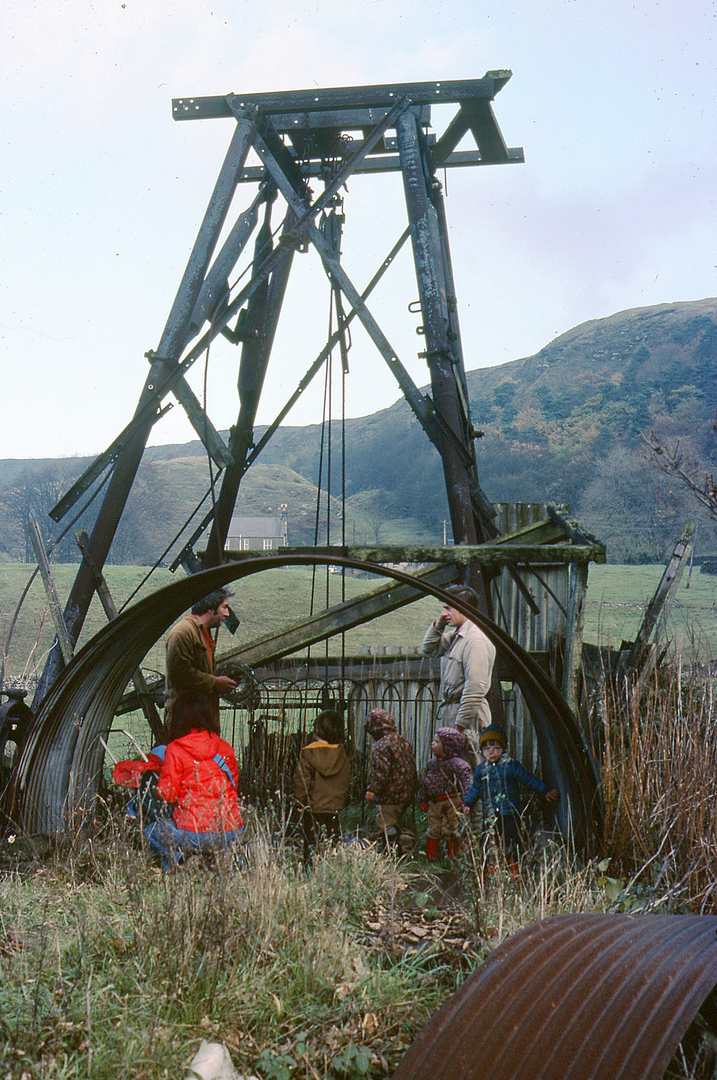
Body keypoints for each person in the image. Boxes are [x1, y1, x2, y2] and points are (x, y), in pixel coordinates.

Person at [143, 690, 244, 870]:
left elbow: (168, 794)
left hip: (194, 834)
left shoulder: (175, 749)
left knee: (152, 830)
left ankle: (180, 861)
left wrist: (156, 787)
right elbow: (233, 784)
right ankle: (219, 859)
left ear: (179, 719)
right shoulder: (224, 747)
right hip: (231, 831)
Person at [462, 727, 559, 873]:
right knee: (490, 842)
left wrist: (544, 790)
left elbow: (528, 779)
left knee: (512, 842)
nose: (491, 751)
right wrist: (468, 803)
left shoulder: (510, 765)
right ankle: (492, 872)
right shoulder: (481, 770)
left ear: (503, 749)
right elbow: (476, 788)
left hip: (510, 814)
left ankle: (514, 870)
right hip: (490, 815)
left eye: (496, 747)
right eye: (487, 748)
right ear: (482, 751)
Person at [419, 584, 496, 763]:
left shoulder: (475, 640)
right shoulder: (457, 636)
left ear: (464, 608)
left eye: (449, 608)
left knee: (471, 768)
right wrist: (438, 625)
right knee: (452, 771)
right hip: (453, 712)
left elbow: (475, 688)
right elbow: (428, 649)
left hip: (468, 720)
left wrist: (458, 727)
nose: (445, 613)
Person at [164, 588, 238, 727]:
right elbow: (180, 675)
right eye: (225, 607)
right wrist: (215, 683)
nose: (227, 613)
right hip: (184, 722)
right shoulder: (183, 632)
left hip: (201, 720)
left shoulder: (203, 632)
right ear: (211, 608)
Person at [293, 710, 351, 862]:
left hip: (313, 808)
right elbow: (346, 779)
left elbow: (302, 782)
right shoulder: (343, 753)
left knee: (311, 845)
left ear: (317, 729)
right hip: (336, 807)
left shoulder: (308, 752)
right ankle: (331, 871)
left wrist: (299, 803)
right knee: (332, 843)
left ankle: (309, 871)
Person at [417, 727, 472, 861]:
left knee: (452, 828)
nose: (432, 743)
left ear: (448, 746)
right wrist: (423, 799)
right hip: (434, 802)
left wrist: (467, 801)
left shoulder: (457, 764)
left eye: (437, 741)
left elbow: (466, 782)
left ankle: (452, 856)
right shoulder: (432, 764)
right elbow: (426, 782)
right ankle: (432, 856)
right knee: (433, 828)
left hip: (452, 801)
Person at [365, 708, 417, 845]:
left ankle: (394, 850)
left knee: (385, 823)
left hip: (390, 794)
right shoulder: (402, 741)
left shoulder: (381, 746)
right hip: (407, 791)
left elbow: (381, 773)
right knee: (396, 820)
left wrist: (372, 790)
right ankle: (401, 845)